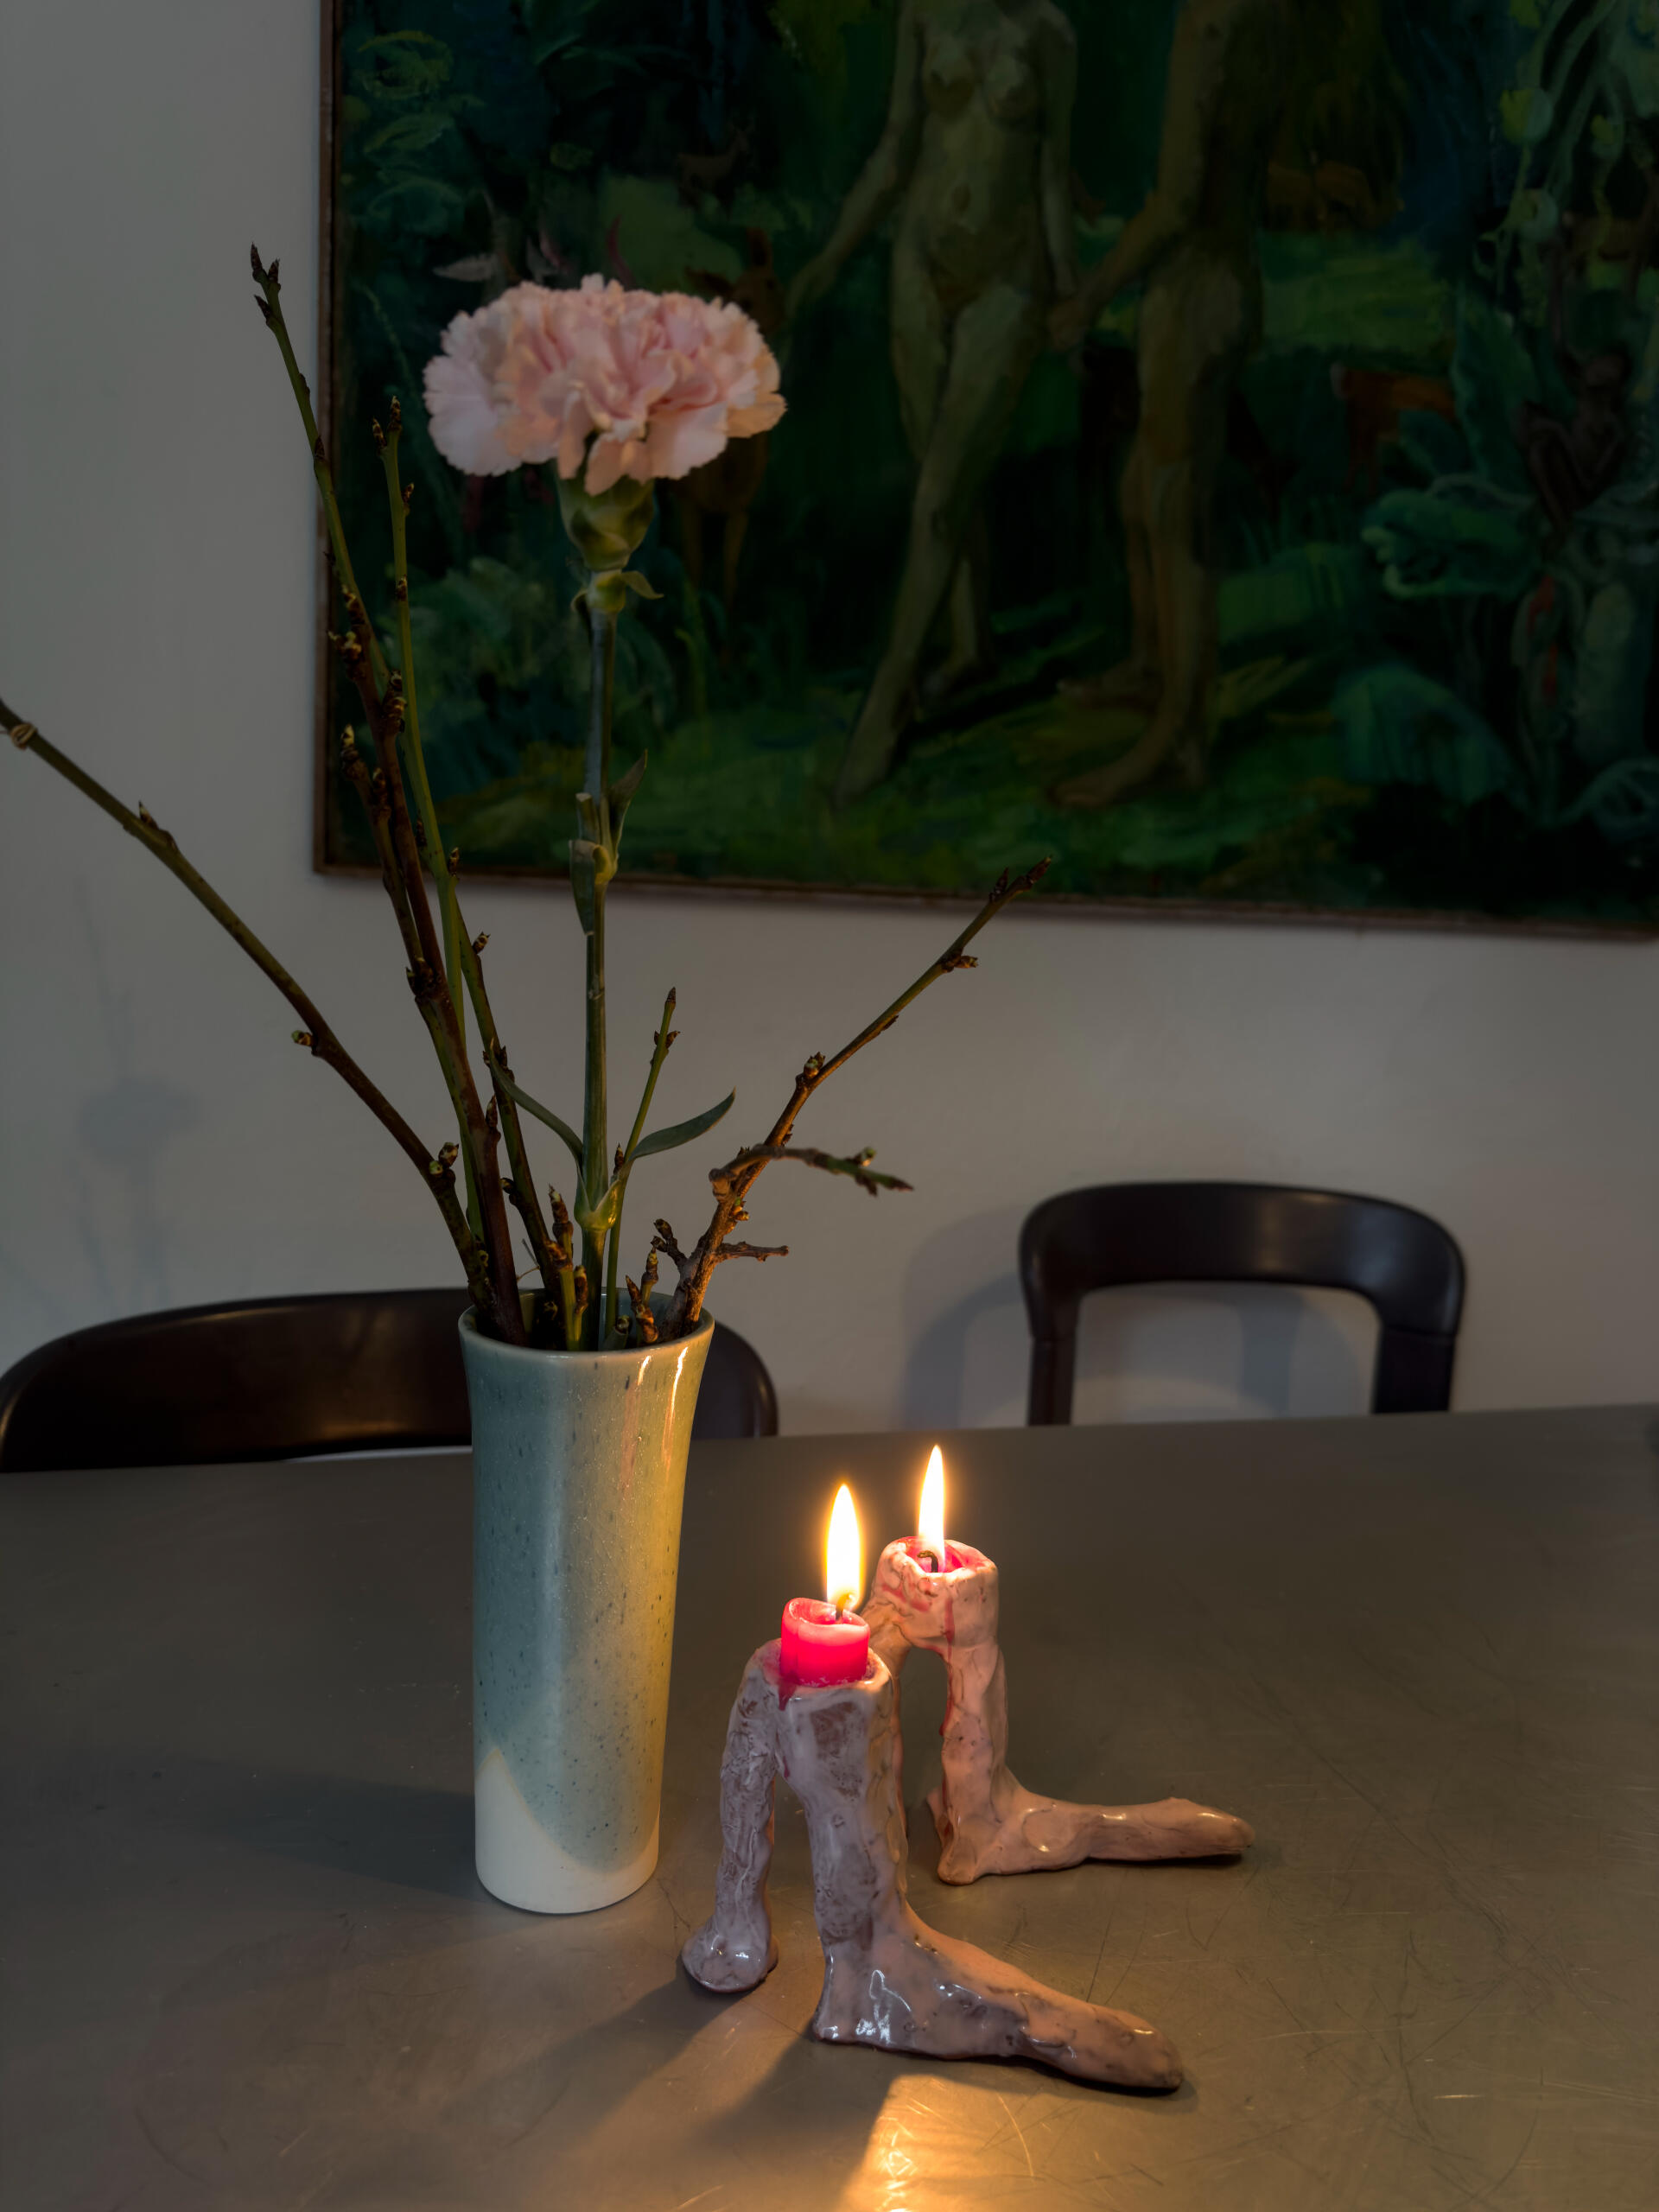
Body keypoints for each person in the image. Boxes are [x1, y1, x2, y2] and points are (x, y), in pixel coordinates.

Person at [789, 0, 1079, 804]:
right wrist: (834, 256)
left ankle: (889, 700)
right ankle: (971, 641)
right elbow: (894, 149)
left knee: (942, 493)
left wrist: (1071, 297)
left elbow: (1054, 176)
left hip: (1008, 281)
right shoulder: (923, 10)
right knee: (937, 475)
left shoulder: (1050, 35)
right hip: (916, 263)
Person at [1047, 0, 1291, 807]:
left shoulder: (1211, 22)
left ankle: (1175, 734)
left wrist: (1089, 297)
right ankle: (1152, 670)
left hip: (1194, 295)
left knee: (1173, 510)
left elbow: (1177, 201)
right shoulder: (1267, 16)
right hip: (1223, 284)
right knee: (1139, 488)